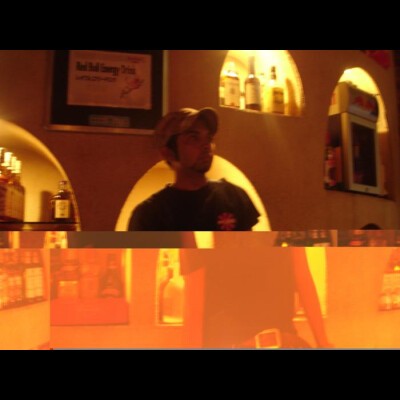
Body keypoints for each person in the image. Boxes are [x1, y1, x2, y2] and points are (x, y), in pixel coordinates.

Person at [181, 232, 332, 349]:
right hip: (240, 342)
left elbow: (302, 276)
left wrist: (323, 342)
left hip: (283, 341)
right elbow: (194, 309)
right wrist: (322, 342)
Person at [128, 107, 260, 231]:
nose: (206, 146)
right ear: (168, 153)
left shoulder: (234, 197)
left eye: (208, 138)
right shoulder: (149, 215)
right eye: (193, 138)